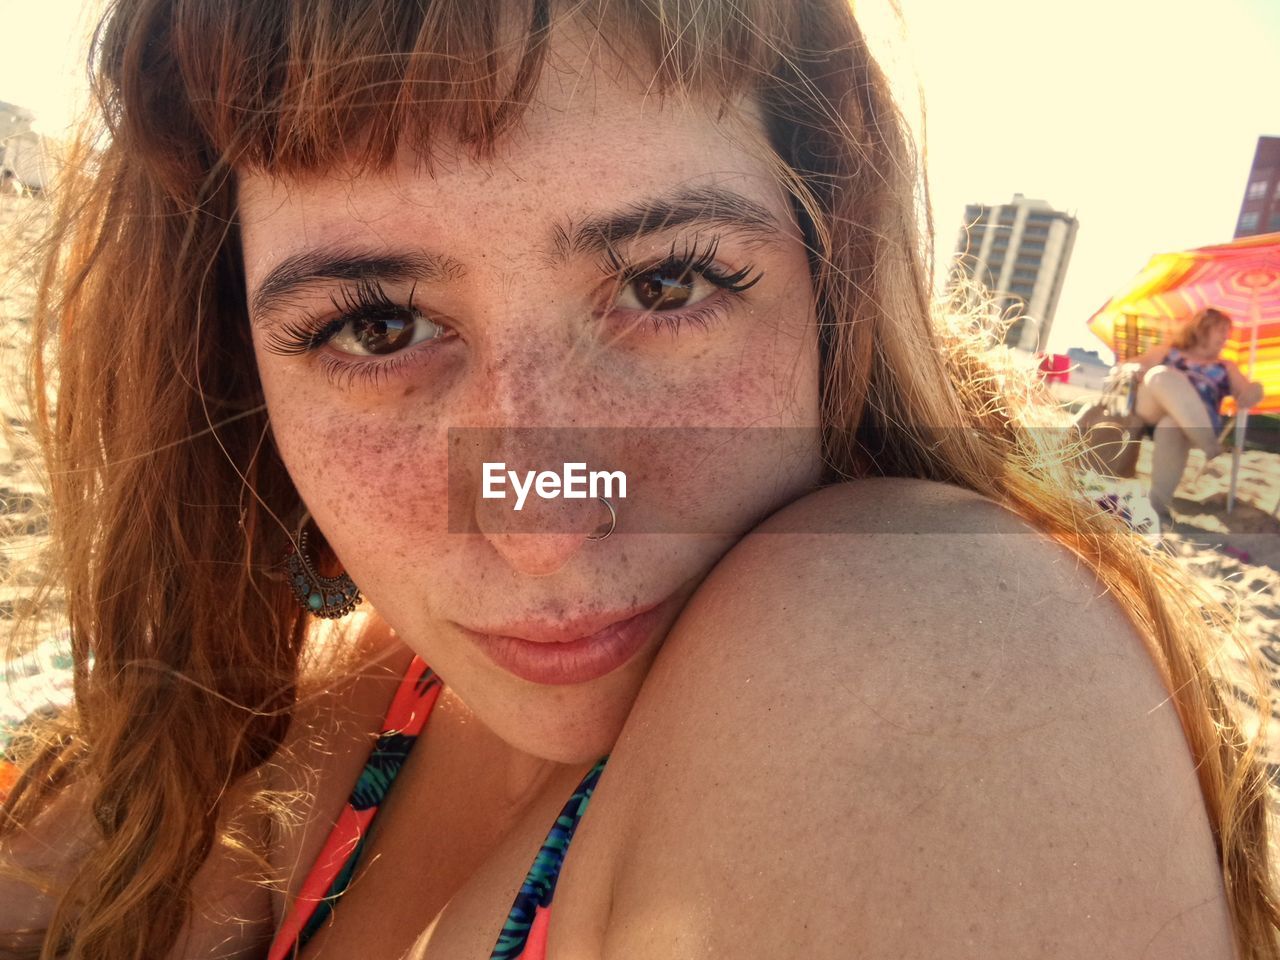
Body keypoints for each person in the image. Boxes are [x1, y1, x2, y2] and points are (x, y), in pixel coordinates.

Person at [1, 2, 1277, 958]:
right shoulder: (320, 720)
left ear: (834, 279)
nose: (543, 521)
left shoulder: (927, 646)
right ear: (237, 377)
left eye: (667, 283)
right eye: (376, 326)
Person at [1130, 307, 1265, 522]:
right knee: (1161, 375)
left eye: (1227, 332)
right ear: (1201, 328)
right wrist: (1135, 368)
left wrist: (1254, 390)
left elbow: (1247, 393)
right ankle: (1210, 446)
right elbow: (1133, 364)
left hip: (1190, 423)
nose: (1225, 337)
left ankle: (1157, 503)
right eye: (1220, 330)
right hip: (1152, 409)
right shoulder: (1168, 352)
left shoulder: (1225, 366)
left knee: (1171, 426)